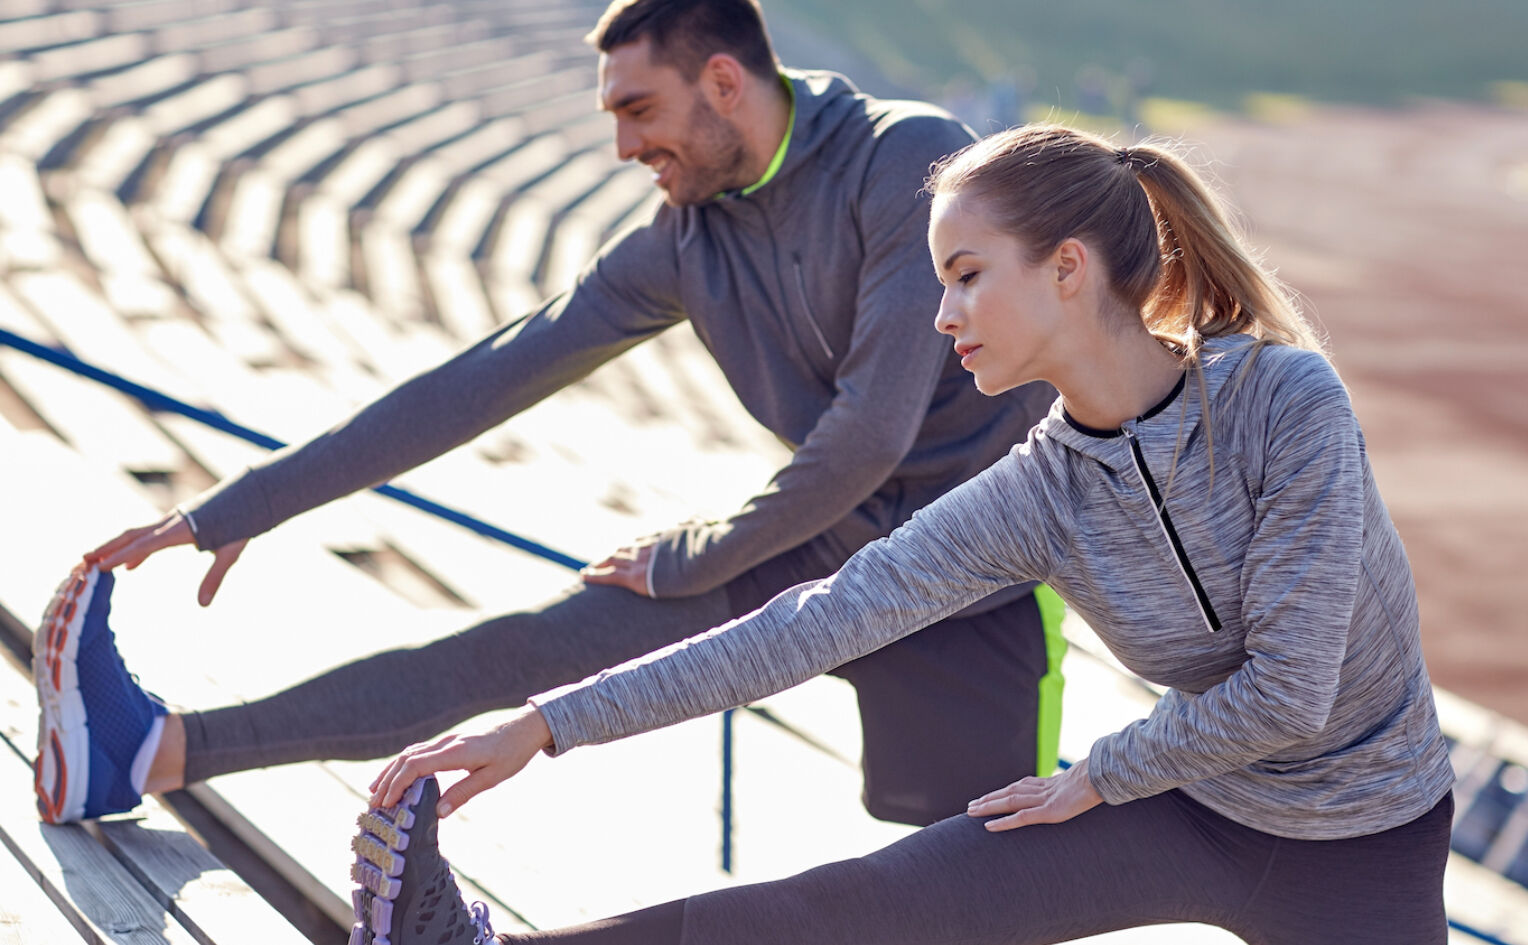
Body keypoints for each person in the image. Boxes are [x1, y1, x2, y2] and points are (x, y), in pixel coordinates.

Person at [347, 124, 1460, 945]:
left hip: (1366, 846)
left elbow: (1293, 692)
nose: (943, 316)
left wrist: (1105, 775)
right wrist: (543, 726)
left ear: (1068, 268)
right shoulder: (1038, 493)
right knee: (858, 907)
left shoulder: (1284, 402)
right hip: (1186, 806)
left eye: (969, 277)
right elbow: (814, 626)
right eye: (940, 282)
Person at [39, 0, 1062, 830]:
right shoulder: (685, 243)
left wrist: (693, 556)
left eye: (638, 110)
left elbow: (868, 434)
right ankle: (152, 755)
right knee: (519, 653)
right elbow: (483, 379)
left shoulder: (908, 162)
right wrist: (243, 507)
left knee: (970, 868)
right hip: (816, 543)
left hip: (968, 581)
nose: (622, 146)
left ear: (722, 82)